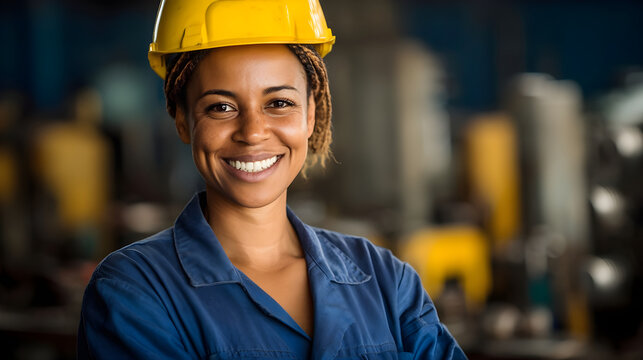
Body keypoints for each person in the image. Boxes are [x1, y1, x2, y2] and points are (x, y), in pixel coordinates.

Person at [77, 0, 467, 359]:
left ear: (310, 114)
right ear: (183, 121)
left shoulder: (385, 282)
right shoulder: (136, 292)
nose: (253, 132)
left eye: (278, 103)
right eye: (221, 107)